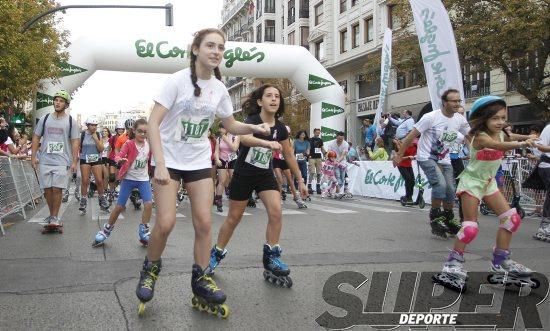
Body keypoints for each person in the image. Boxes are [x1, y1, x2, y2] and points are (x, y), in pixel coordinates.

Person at [135, 28, 271, 317]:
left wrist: (253, 127)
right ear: (195, 49)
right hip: (168, 160)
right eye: (210, 45)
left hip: (198, 160)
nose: (216, 51)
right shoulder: (176, 81)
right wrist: (159, 163)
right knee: (167, 223)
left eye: (220, 47)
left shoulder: (219, 90)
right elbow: (153, 123)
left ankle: (201, 279)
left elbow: (230, 125)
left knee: (205, 222)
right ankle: (150, 269)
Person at [433, 95, 537, 292]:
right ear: (483, 119)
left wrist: (529, 138)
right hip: (471, 183)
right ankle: (453, 264)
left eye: (502, 118)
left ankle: (500, 260)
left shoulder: (501, 133)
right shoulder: (480, 136)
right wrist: (523, 144)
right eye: (494, 118)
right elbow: (498, 146)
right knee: (470, 227)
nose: (500, 122)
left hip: (488, 184)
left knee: (511, 219)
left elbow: (509, 138)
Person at [207, 84, 308, 287]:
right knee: (233, 218)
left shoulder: (280, 128)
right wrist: (267, 143)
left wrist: (301, 180)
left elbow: (288, 155)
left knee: (276, 211)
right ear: (260, 101)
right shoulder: (252, 121)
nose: (273, 99)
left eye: (277, 96)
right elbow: (244, 138)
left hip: (264, 175)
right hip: (244, 174)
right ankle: (216, 253)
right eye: (268, 96)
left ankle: (271, 255)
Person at [393, 88, 470, 238]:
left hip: (445, 159)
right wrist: (399, 155)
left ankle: (448, 218)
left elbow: (470, 136)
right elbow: (410, 136)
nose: (457, 104)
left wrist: (476, 153)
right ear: (444, 102)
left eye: (458, 101)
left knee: (450, 189)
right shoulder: (431, 117)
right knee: (440, 185)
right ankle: (435, 218)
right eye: (454, 101)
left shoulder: (460, 119)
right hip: (426, 157)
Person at [92, 119, 153, 247]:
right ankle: (106, 230)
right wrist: (120, 161)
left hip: (143, 179)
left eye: (145, 132)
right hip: (129, 179)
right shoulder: (129, 144)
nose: (142, 134)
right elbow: (118, 156)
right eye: (140, 131)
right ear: (134, 131)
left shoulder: (149, 145)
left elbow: (154, 159)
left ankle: (144, 232)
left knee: (148, 204)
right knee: (119, 207)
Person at [31, 90, 79, 226]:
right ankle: (52, 215)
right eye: (56, 100)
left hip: (62, 160)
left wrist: (74, 161)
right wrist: (33, 156)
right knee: (47, 190)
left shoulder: (71, 122)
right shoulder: (44, 119)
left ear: (66, 104)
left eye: (61, 101)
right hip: (45, 159)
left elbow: (75, 141)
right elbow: (36, 137)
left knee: (57, 189)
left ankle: (54, 217)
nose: (57, 103)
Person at [78, 117, 109, 214]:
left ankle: (102, 200)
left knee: (99, 180)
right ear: (87, 125)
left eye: (95, 125)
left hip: (96, 159)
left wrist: (95, 138)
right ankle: (83, 200)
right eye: (92, 125)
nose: (94, 127)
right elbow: (78, 147)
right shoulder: (82, 134)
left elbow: (101, 149)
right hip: (85, 159)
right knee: (85, 180)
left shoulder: (98, 134)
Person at [273, 126, 307, 208]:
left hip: (285, 161)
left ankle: (296, 198)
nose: (286, 135)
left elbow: (291, 153)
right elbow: (274, 150)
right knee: (279, 179)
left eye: (288, 133)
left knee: (290, 180)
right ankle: (279, 197)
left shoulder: (290, 141)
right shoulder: (276, 140)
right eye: (285, 133)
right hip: (276, 160)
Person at [214, 123, 240, 212]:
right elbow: (216, 151)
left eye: (222, 128)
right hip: (222, 160)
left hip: (233, 160)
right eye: (220, 128)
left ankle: (235, 199)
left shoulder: (235, 137)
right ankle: (218, 200)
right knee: (222, 180)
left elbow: (234, 148)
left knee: (234, 179)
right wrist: (217, 159)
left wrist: (226, 139)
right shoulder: (219, 139)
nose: (221, 130)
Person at [107, 122, 125, 201]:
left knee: (118, 178)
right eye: (119, 129)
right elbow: (109, 148)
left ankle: (114, 189)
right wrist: (107, 159)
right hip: (113, 158)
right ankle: (111, 192)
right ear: (116, 129)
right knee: (112, 177)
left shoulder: (126, 138)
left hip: (121, 159)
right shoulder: (113, 138)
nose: (120, 130)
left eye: (122, 129)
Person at [396, 138, 418, 205]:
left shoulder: (415, 147)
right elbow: (399, 157)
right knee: (408, 179)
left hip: (408, 165)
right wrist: (408, 157)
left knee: (412, 181)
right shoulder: (404, 146)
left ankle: (409, 197)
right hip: (401, 164)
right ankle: (408, 196)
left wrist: (416, 156)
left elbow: (416, 154)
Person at [308, 128, 325, 194]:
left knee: (319, 173)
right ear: (314, 132)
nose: (317, 133)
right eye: (316, 132)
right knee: (312, 172)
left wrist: (325, 154)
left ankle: (318, 186)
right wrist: (308, 155)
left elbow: (322, 148)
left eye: (318, 132)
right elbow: (308, 148)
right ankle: (309, 186)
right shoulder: (310, 140)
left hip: (318, 158)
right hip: (311, 157)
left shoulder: (320, 140)